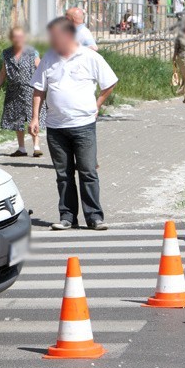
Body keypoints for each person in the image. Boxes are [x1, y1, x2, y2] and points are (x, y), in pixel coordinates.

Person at [29, 17, 118, 231]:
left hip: (83, 125)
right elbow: (39, 89)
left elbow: (110, 82)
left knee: (87, 171)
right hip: (56, 127)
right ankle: (67, 217)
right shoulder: (49, 58)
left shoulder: (89, 56)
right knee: (63, 174)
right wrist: (34, 118)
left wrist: (97, 104)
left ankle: (94, 217)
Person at [0, 27, 46, 157]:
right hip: (14, 91)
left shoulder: (32, 52)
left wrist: (45, 86)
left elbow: (41, 69)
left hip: (30, 90)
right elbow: (3, 73)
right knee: (17, 119)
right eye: (15, 36)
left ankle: (36, 147)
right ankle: (22, 148)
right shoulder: (7, 53)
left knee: (33, 117)